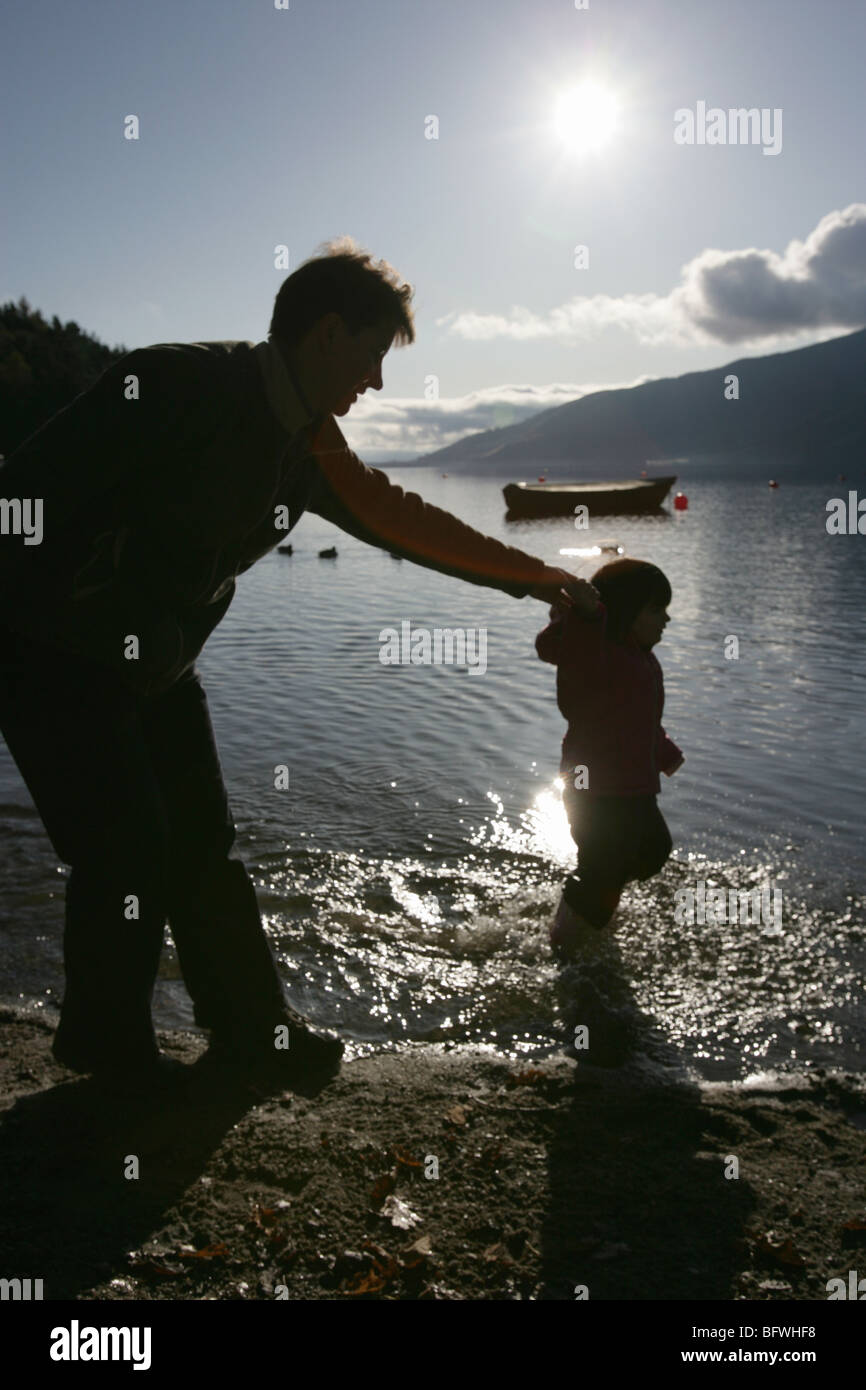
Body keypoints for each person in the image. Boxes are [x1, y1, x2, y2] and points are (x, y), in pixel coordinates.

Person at [0, 237, 595, 1088]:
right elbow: (22, 503)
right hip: (46, 649)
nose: (378, 382)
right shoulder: (172, 384)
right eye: (373, 355)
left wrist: (535, 576)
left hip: (157, 664)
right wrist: (102, 614)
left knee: (203, 843)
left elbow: (401, 519)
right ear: (324, 334)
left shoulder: (312, 446)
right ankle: (105, 1047)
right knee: (127, 847)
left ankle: (253, 1032)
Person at [535, 557, 684, 959]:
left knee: (652, 849)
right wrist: (587, 614)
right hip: (591, 788)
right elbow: (575, 648)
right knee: (603, 862)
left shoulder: (641, 658)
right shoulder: (592, 655)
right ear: (624, 611)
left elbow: (641, 718)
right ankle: (564, 943)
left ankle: (596, 906)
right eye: (656, 609)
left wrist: (662, 751)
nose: (666, 619)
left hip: (635, 785)